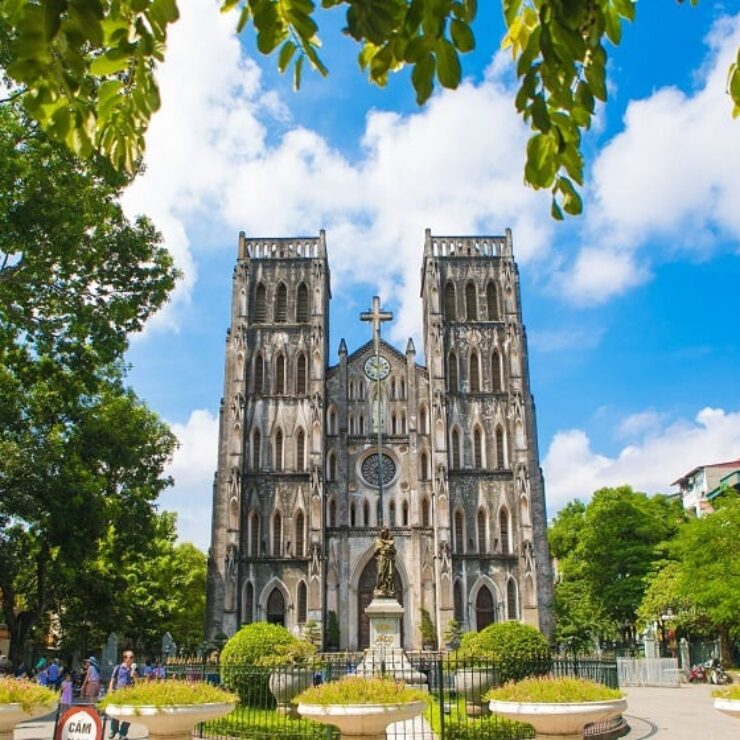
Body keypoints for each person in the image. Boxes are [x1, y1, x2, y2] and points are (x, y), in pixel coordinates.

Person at [108, 651, 136, 740]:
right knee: (116, 713)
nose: (131, 659)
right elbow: (113, 679)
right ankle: (114, 730)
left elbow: (138, 681)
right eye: (130, 657)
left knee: (129, 714)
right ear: (125, 658)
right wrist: (110, 689)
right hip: (119, 693)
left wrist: (135, 675)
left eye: (132, 657)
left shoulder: (133, 669)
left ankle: (122, 733)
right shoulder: (118, 667)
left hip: (130, 694)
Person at [373, 526, 396, 597]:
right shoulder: (378, 541)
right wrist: (380, 548)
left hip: (389, 559)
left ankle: (388, 589)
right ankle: (379, 587)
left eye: (386, 533)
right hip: (382, 558)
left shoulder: (391, 541)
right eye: (383, 533)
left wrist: (389, 549)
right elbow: (375, 552)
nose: (385, 534)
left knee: (390, 574)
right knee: (380, 573)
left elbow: (394, 551)